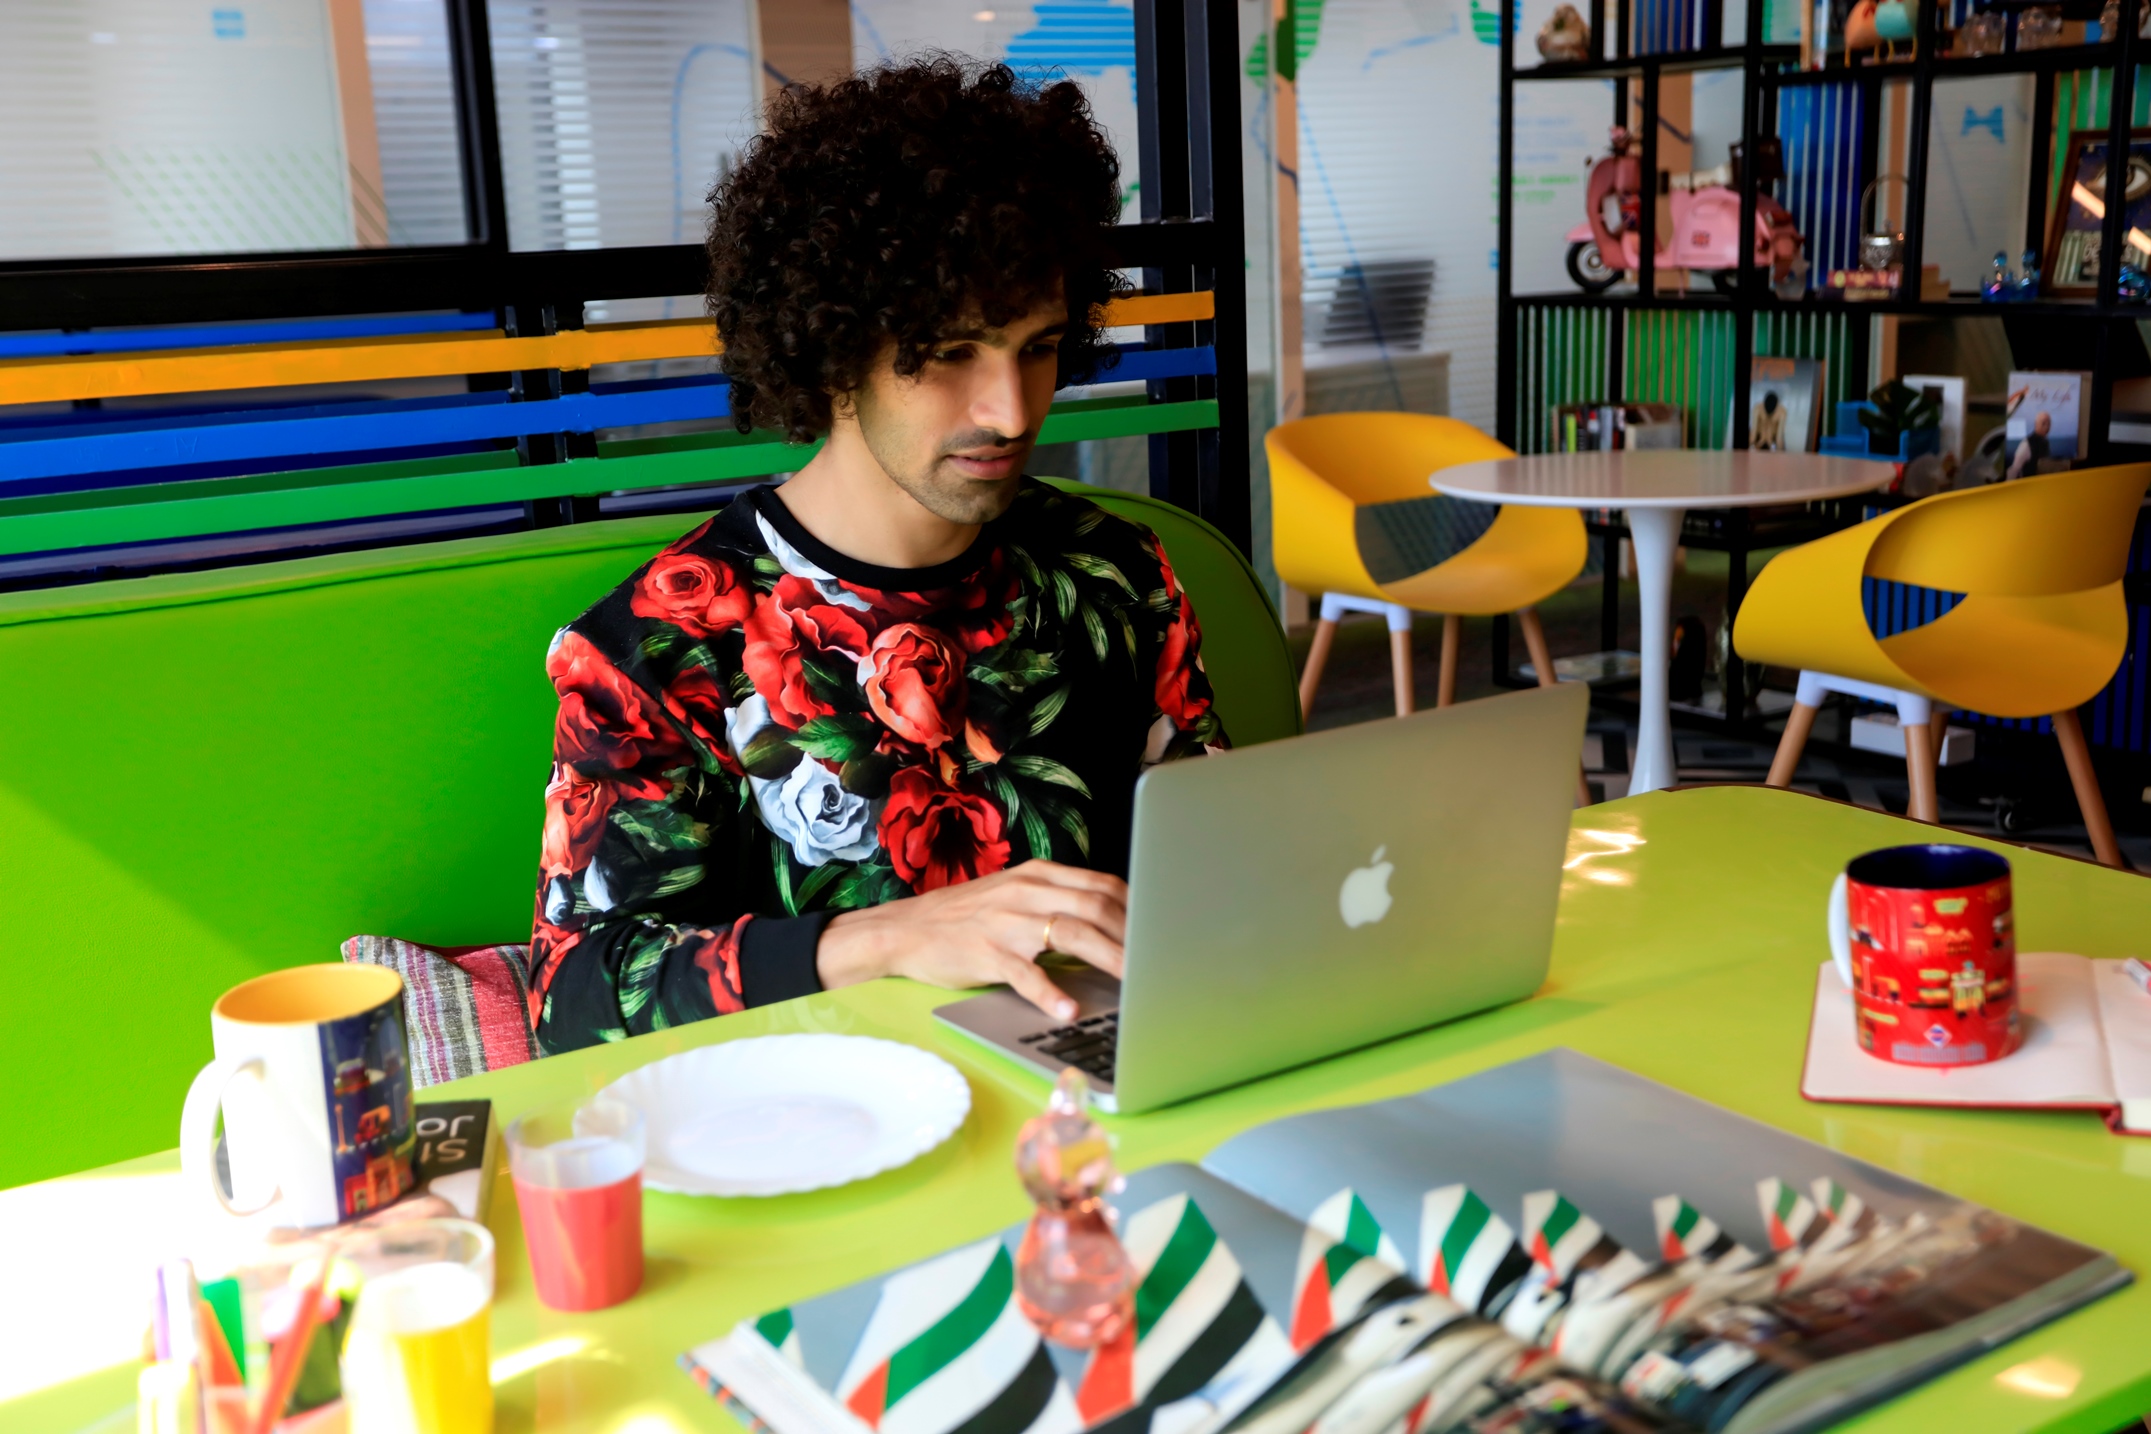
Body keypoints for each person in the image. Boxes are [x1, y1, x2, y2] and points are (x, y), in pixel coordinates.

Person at [526, 59, 1226, 1055]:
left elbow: (1219, 851)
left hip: (1101, 1075)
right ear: (831, 347)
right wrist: (890, 936)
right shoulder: (660, 644)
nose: (1011, 411)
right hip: (835, 1106)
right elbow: (573, 996)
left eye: (1036, 347)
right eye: (948, 354)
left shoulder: (1117, 571)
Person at [2006, 409, 2051, 480]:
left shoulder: (2045, 443)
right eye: (2043, 423)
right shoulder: (2026, 444)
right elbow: (2015, 469)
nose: (2047, 426)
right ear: (2036, 424)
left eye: (2049, 423)